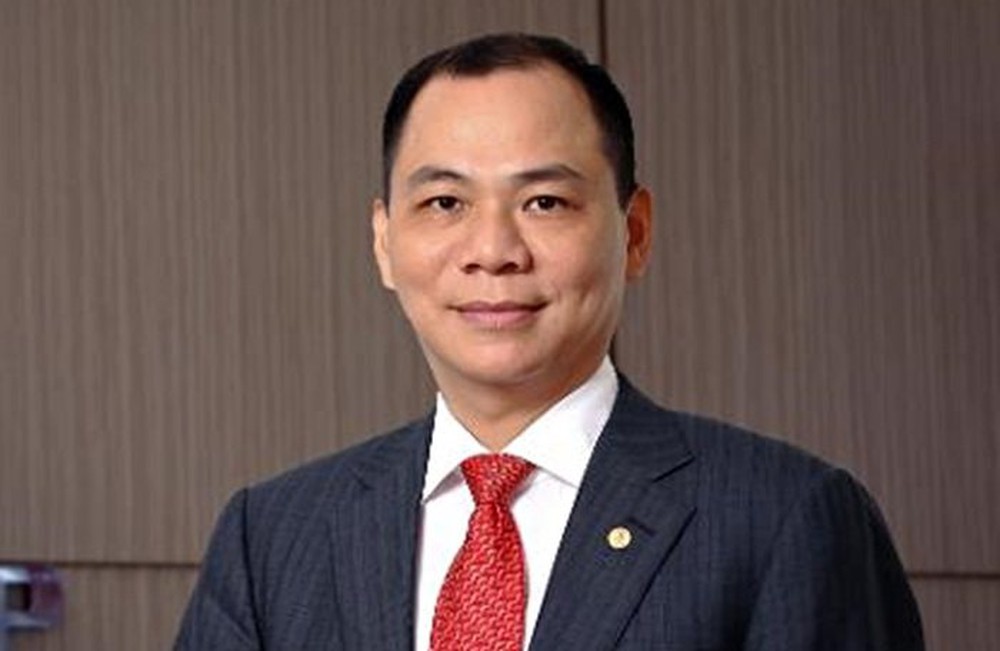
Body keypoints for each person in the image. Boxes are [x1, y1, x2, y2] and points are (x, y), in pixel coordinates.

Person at [176, 33, 924, 650]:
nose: (493, 251)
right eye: (445, 202)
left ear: (635, 233)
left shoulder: (785, 518)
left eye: (544, 202)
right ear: (384, 242)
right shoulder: (271, 537)